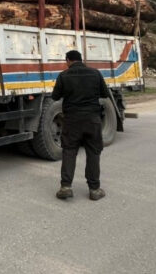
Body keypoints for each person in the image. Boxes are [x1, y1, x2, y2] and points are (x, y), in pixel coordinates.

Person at [51, 49, 109, 201]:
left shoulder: (64, 75)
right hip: (92, 120)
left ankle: (66, 187)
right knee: (93, 153)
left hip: (72, 121)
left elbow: (55, 96)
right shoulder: (95, 73)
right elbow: (105, 94)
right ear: (81, 59)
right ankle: (95, 190)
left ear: (68, 60)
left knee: (69, 151)